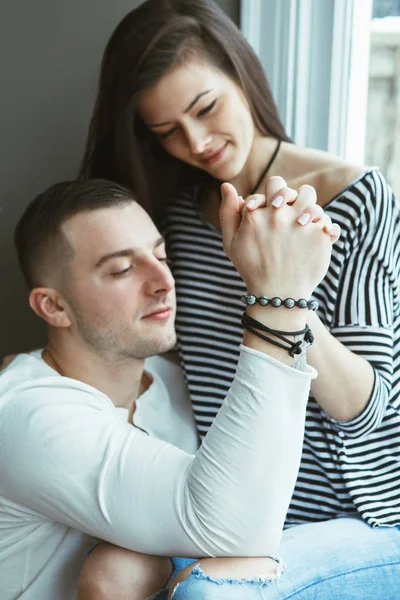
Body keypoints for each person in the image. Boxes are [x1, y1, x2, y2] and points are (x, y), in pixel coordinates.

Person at [78, 0, 400, 597]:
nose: (196, 142)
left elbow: (366, 405)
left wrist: (280, 293)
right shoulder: (172, 219)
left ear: (242, 75)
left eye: (206, 108)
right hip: (227, 499)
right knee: (105, 574)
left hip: (352, 507)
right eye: (167, 131)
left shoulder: (352, 196)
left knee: (206, 592)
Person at [0, 176, 337, 600]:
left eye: (160, 255)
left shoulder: (179, 382)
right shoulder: (26, 416)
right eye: (122, 269)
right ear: (54, 306)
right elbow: (234, 532)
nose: (162, 281)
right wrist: (279, 298)